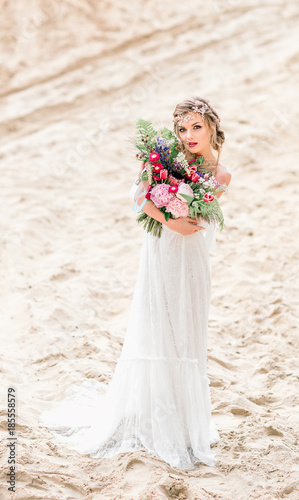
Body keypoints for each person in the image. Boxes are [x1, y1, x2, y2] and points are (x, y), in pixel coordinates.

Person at [40, 96, 231, 470]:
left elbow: (202, 215)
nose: (189, 135)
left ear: (210, 127)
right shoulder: (164, 159)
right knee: (157, 324)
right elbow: (140, 196)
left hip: (191, 259)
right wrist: (167, 219)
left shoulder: (220, 175)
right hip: (160, 251)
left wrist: (182, 214)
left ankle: (184, 423)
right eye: (182, 128)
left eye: (196, 126)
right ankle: (154, 415)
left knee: (186, 331)